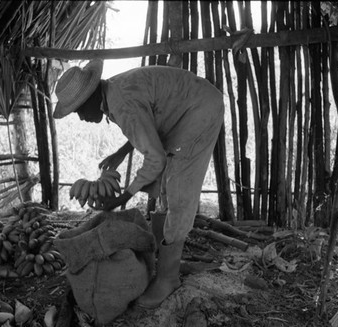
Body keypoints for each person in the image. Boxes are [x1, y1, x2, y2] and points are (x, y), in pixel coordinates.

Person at [53, 59, 224, 309]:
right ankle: (160, 256)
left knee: (180, 193)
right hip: (185, 110)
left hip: (198, 112)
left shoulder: (122, 104)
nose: (80, 117)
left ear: (90, 97)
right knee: (165, 185)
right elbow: (146, 123)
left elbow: (154, 157)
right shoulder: (113, 91)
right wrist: (123, 152)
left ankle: (168, 278)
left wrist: (123, 197)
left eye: (78, 110)